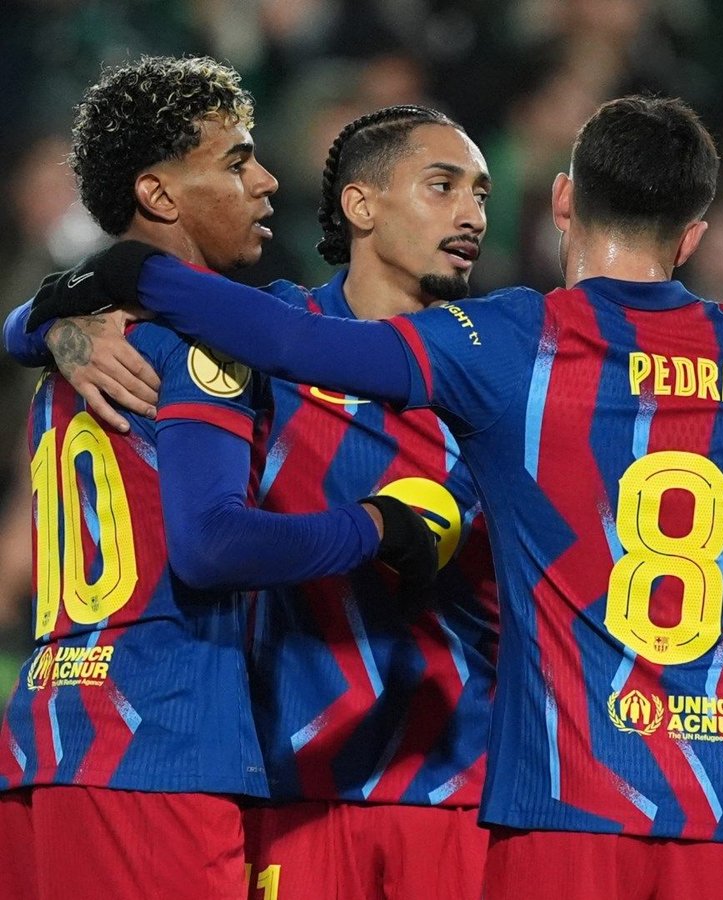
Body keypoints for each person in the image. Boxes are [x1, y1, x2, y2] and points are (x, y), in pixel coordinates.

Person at [28, 94, 723, 896]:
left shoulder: (502, 369)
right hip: (304, 789)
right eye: (443, 187)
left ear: (563, 201)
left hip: (466, 787)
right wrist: (52, 320)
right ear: (360, 204)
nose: (470, 214)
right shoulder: (270, 341)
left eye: (483, 194)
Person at [0, 57, 436, 900]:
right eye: (237, 163)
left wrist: (48, 318)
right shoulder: (199, 348)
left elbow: (29, 322)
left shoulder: (74, 349)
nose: (267, 181)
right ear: (161, 195)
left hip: (46, 742)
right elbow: (211, 544)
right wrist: (377, 526)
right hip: (160, 746)